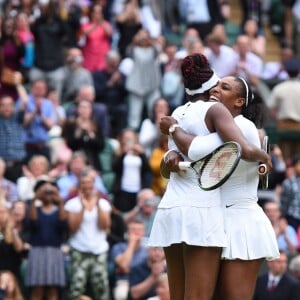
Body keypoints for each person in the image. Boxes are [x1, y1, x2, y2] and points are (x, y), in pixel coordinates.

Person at [148, 53, 272, 300]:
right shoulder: (212, 121)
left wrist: (174, 131)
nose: (216, 89)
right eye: (216, 84)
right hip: (214, 217)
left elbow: (197, 148)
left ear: (239, 102)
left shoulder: (243, 126)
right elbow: (189, 151)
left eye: (224, 87)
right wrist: (171, 153)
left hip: (240, 224)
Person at [64, 167, 111, 300]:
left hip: (99, 249)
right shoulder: (72, 204)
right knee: (76, 287)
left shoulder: (103, 204)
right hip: (79, 249)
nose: (87, 186)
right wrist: (83, 207)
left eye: (89, 183)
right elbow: (73, 228)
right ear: (79, 185)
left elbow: (105, 225)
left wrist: (96, 205)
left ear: (93, 184)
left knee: (101, 288)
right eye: (83, 183)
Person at [25, 178, 68, 300]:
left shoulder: (59, 210)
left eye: (50, 193)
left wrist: (60, 202)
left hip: (54, 251)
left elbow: (63, 224)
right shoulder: (35, 210)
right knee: (37, 289)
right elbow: (32, 223)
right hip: (37, 251)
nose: (48, 195)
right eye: (45, 192)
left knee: (52, 291)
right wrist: (35, 199)